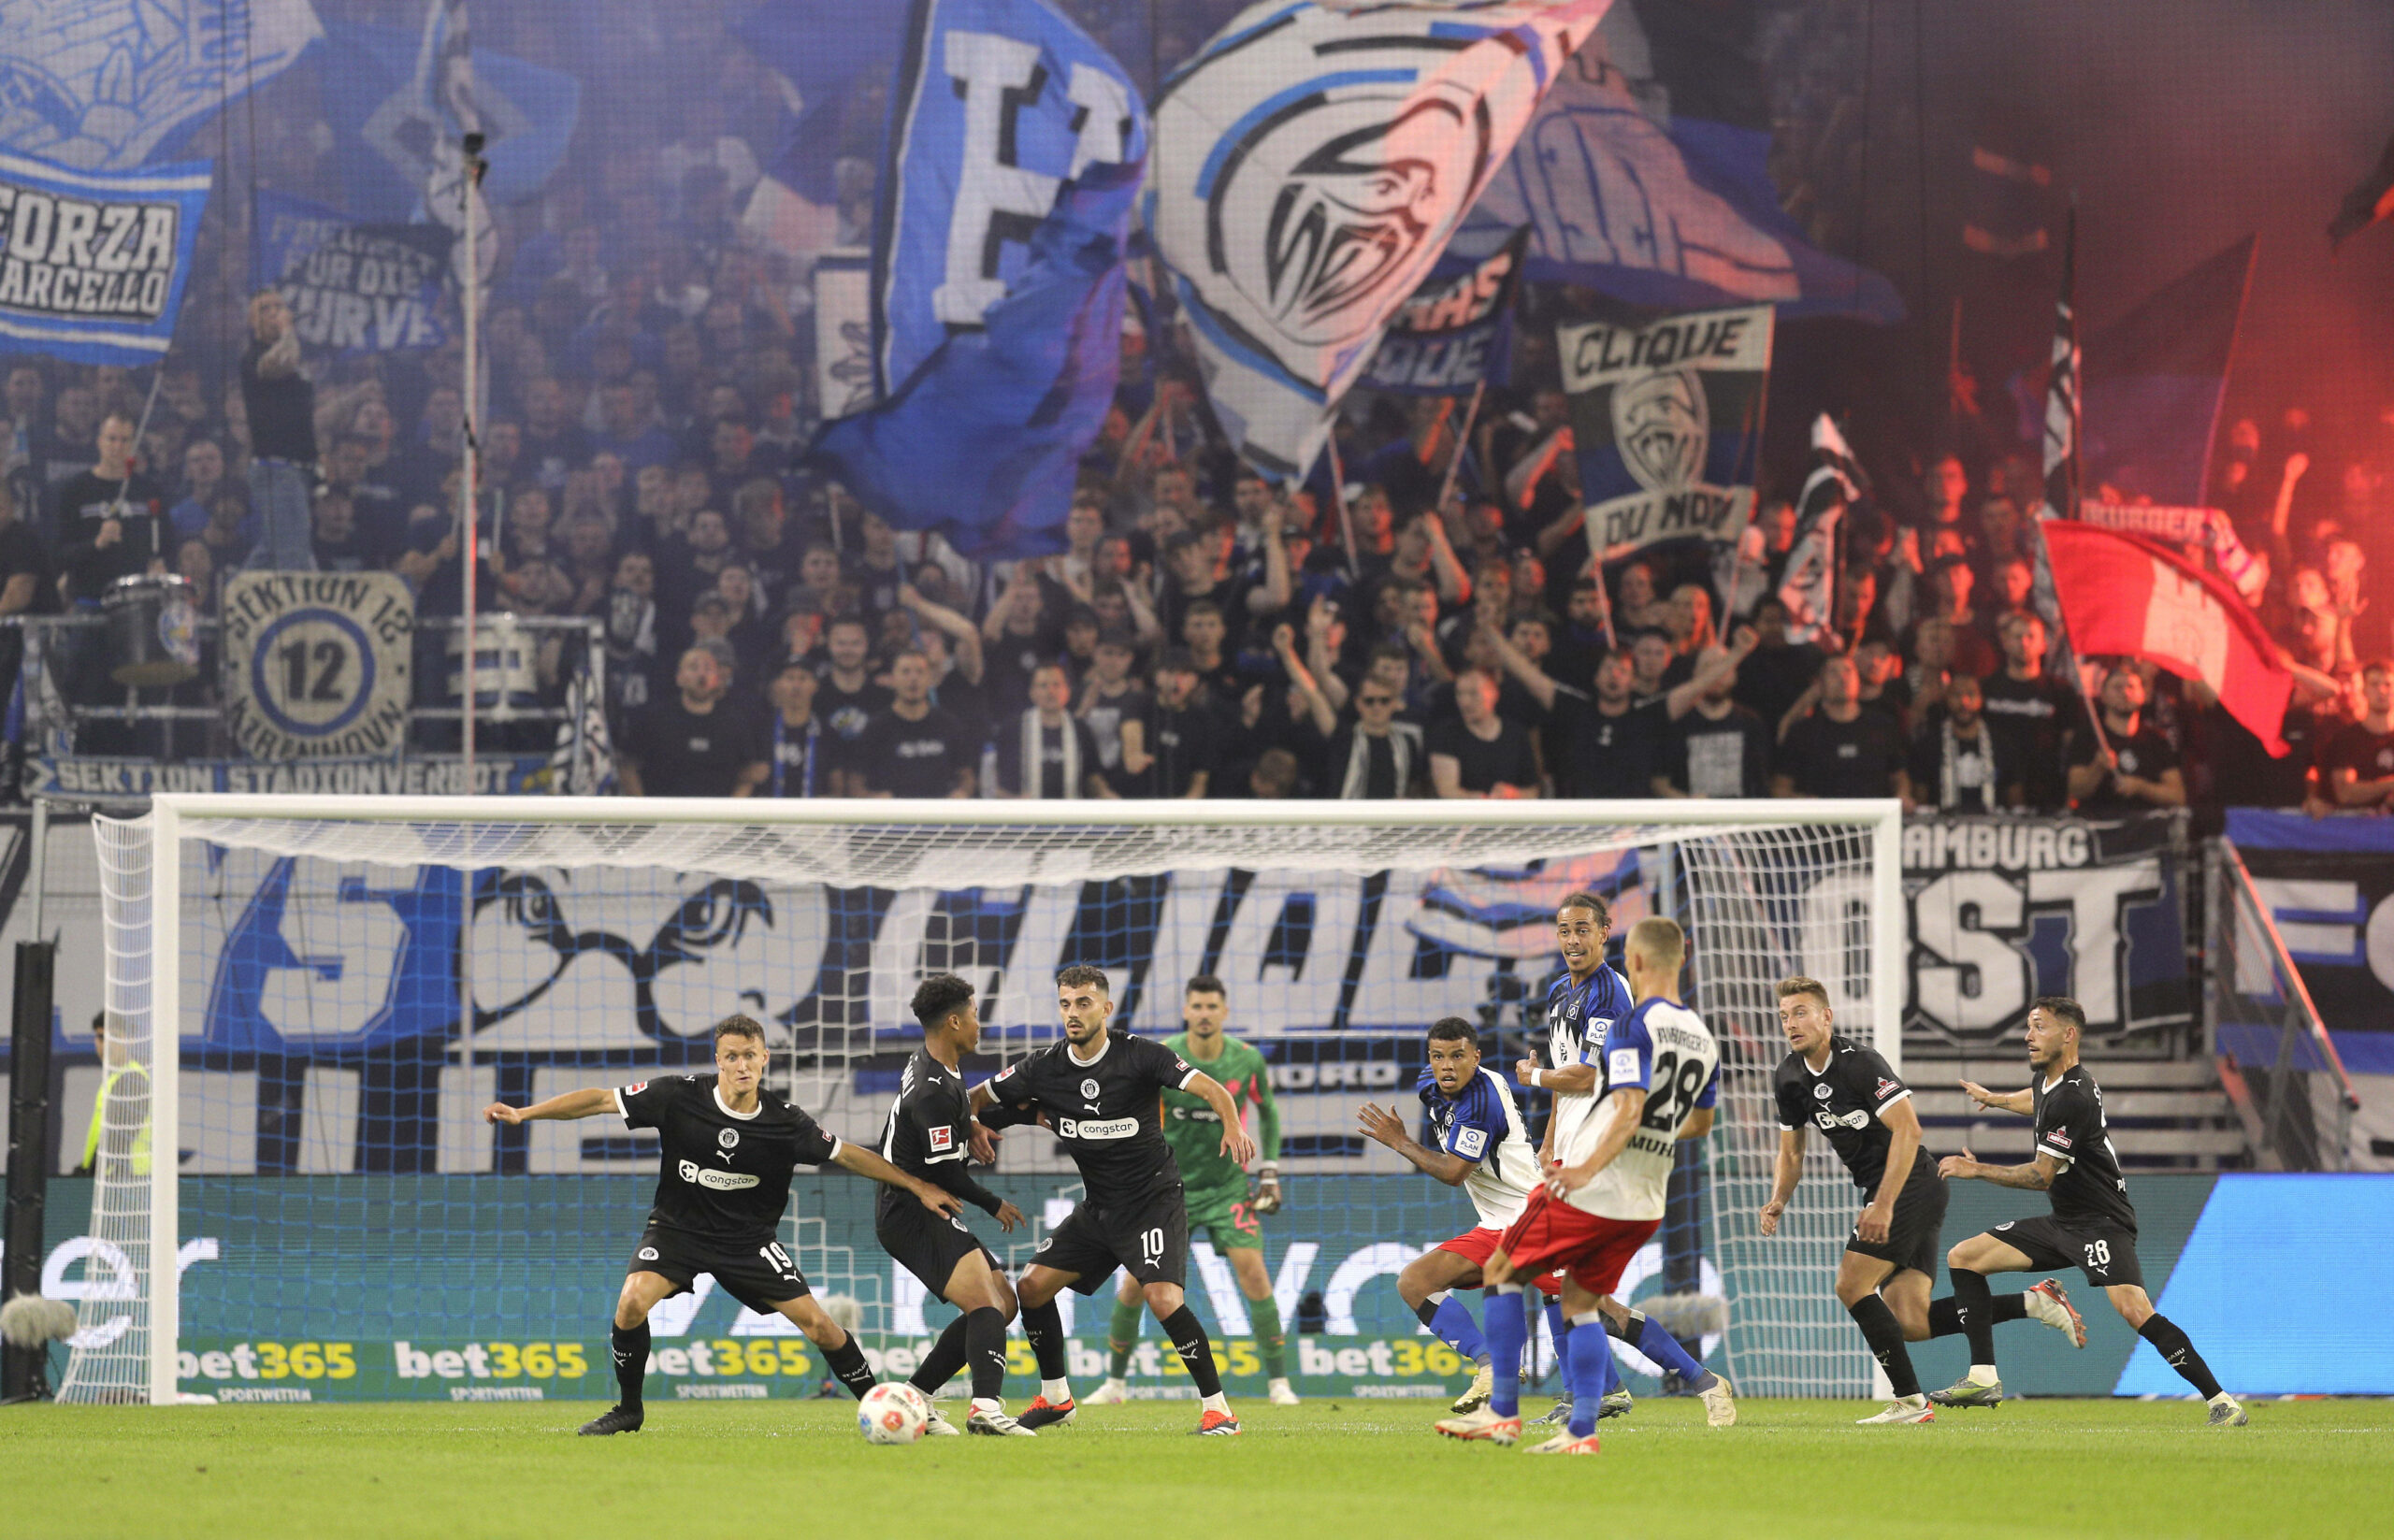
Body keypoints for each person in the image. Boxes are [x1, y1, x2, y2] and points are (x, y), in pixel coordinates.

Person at [481, 1014, 965, 1435]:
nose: (741, 1066)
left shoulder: (786, 1121)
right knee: (631, 1302)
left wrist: (916, 1186)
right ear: (717, 1061)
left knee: (820, 1326)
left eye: (749, 1055)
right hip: (676, 1232)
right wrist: (526, 1113)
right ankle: (629, 1410)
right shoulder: (676, 1095)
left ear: (765, 1059)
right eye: (731, 1056)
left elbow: (850, 1156)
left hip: (748, 1242)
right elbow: (598, 1101)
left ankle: (883, 1405)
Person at [1757, 977, 2076, 1423]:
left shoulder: (1862, 1064)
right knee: (1911, 1321)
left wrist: (1884, 1205)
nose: (1792, 1023)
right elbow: (1791, 1151)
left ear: (1826, 1017)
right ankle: (2033, 1303)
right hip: (1892, 1191)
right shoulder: (1789, 1077)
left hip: (1910, 1184)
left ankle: (1909, 1402)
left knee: (1851, 1285)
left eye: (1802, 1012)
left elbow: (1909, 1129)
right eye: (1785, 1016)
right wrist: (1778, 1200)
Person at [1482, 918, 1738, 1452]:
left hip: (1593, 1177)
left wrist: (1581, 1164)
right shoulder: (1702, 1039)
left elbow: (1620, 1101)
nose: (1571, 941)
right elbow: (1697, 1124)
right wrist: (1554, 1140)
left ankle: (1503, 1412)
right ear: (1682, 956)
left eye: (1582, 930)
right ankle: (1588, 1419)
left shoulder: (1625, 1016)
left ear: (1630, 958)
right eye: (1563, 930)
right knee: (1579, 1299)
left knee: (1505, 1271)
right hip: (1640, 1190)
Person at [1929, 998, 2247, 1426]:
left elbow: (2041, 1176)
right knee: (1964, 1257)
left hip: (2101, 1222)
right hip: (2063, 1221)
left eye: (2039, 1027)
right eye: (2028, 1026)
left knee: (2135, 1311)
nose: (2028, 1036)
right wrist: (1997, 1099)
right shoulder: (2053, 1082)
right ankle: (1983, 1376)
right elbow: (2036, 1099)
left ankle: (2220, 1401)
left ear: (2068, 1034)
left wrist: (1976, 1169)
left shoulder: (2073, 1098)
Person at [969, 965, 1257, 1435]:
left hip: (1153, 1201)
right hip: (1099, 1208)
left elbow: (1211, 1088)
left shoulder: (1142, 1055)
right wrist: (973, 1122)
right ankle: (1057, 1398)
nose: (1073, 1013)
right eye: (1065, 1004)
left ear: (1106, 1007)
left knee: (1163, 1299)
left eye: (1083, 1003)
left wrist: (1232, 1123)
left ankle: (1219, 1409)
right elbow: (976, 1097)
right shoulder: (1043, 1066)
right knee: (1032, 1288)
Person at [1355, 1017, 1577, 1444]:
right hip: (1496, 1224)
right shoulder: (1432, 1082)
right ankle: (1495, 1365)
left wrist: (1401, 1142)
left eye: (1458, 1056)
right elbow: (1434, 1090)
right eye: (1438, 1057)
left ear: (1476, 1057)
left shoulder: (1481, 1103)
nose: (1447, 1067)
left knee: (1598, 1312)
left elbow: (1455, 1172)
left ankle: (1700, 1382)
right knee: (1415, 1282)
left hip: (1534, 1220)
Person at [1091, 975, 1291, 1405]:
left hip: (1226, 1188)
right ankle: (1115, 1384)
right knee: (1134, 1283)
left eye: (1211, 1007)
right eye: (1196, 1007)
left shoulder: (1247, 1060)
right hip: (1166, 1188)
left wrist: (1270, 1171)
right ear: (1186, 1011)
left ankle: (1279, 1384)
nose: (1204, 1014)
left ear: (1224, 1012)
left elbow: (1269, 1113)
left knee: (1254, 1274)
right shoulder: (1163, 1055)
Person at [880, 975, 1034, 1435]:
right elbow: (946, 1173)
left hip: (923, 1206)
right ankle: (985, 1409)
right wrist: (994, 1203)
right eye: (972, 1015)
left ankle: (917, 1398)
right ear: (952, 1021)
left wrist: (971, 1124)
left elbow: (952, 1108)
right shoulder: (931, 1089)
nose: (978, 1024)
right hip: (910, 1212)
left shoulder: (938, 1063)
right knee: (986, 1306)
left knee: (1003, 1303)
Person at [615, 645, 768, 798]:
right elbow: (627, 767)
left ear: (716, 678)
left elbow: (747, 776)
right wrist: (644, 812)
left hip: (717, 817)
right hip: (663, 815)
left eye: (708, 669)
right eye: (693, 668)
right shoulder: (654, 719)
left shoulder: (735, 723)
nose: (701, 674)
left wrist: (731, 814)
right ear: (679, 678)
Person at [52, 410, 166, 603]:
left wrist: (161, 564)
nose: (117, 446)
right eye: (111, 439)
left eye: (125, 440)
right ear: (99, 441)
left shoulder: (148, 490)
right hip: (90, 599)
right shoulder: (75, 490)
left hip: (138, 599)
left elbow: (166, 542)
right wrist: (96, 544)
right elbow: (60, 554)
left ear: (133, 445)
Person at [240, 289, 317, 570]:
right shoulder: (252, 357)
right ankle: (293, 613)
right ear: (251, 321)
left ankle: (235, 602)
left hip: (298, 469)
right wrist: (287, 331)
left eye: (279, 306)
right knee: (292, 555)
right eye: (265, 309)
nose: (274, 312)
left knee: (272, 550)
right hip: (277, 469)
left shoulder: (295, 355)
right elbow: (280, 364)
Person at [1773, 655, 1910, 801]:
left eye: (1848, 671)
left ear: (1858, 680)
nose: (1842, 677)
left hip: (1873, 820)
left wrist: (1903, 797)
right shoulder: (1803, 732)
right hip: (1821, 821)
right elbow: (1780, 788)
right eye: (1833, 672)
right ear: (1820, 684)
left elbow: (1899, 776)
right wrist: (1805, 803)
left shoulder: (1882, 726)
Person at [1979, 612, 2079, 811]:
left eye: (2031, 637)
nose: (2024, 643)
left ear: (2044, 644)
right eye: (2017, 637)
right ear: (2005, 642)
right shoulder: (1986, 688)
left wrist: (2070, 793)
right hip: (1995, 787)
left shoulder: (2060, 691)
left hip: (2046, 789)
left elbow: (2071, 747)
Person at [854, 651, 976, 798]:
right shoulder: (875, 729)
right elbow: (856, 784)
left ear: (930, 678)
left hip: (939, 815)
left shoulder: (949, 725)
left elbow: (966, 775)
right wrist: (875, 799)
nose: (913, 678)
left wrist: (961, 794)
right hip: (892, 817)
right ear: (892, 679)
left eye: (920, 672)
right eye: (905, 672)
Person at [2067, 666, 2185, 813]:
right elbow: (2075, 790)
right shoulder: (2087, 736)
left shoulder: (2156, 739)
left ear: (2143, 695)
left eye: (2131, 687)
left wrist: (2141, 787)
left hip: (2145, 828)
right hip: (2099, 825)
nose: (2125, 692)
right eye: (2117, 687)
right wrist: (2097, 768)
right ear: (2102, 695)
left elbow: (2178, 796)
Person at [995, 663, 1112, 799]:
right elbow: (997, 787)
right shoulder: (1013, 729)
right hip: (1026, 816)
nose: (1051, 691)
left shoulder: (1081, 729)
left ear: (1067, 691)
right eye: (1043, 685)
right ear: (1032, 692)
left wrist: (1110, 799)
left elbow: (1093, 778)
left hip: (1071, 815)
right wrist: (1016, 802)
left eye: (1057, 685)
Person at [1909, 674, 2012, 813]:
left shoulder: (2002, 745)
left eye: (1971, 694)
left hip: (1994, 828)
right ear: (1946, 699)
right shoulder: (1928, 745)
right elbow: (1920, 803)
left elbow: (2016, 803)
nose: (1964, 702)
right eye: (1956, 695)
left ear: (1981, 699)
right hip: (1940, 828)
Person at [2318, 658, 2394, 811]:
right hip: (2358, 832)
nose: (2382, 690)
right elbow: (2345, 793)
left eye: (2388, 684)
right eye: (2374, 684)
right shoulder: (2345, 740)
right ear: (2363, 689)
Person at [764, 658, 829, 798]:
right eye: (790, 678)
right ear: (777, 685)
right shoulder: (760, 730)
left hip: (814, 816)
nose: (796, 685)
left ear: (815, 686)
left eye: (803, 678)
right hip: (767, 815)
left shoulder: (828, 732)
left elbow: (837, 789)